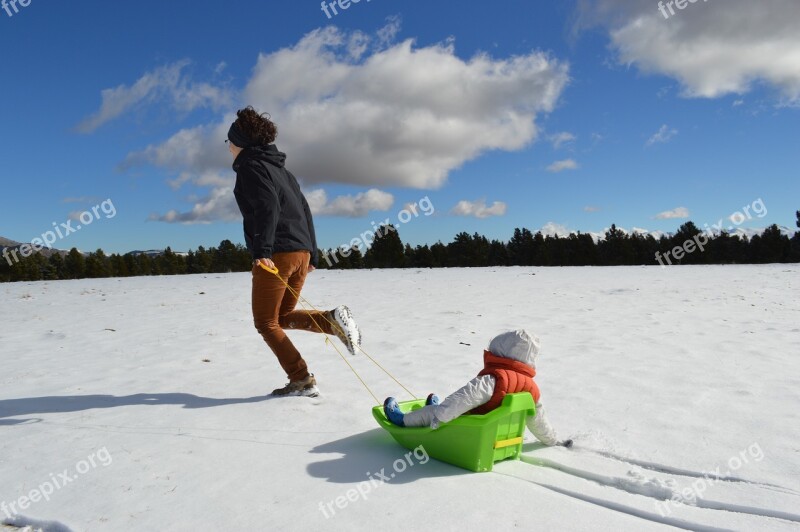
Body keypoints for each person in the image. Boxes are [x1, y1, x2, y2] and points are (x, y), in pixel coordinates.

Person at [228, 106, 361, 397]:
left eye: (230, 142)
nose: (228, 148)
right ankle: (331, 320)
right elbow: (304, 210)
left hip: (276, 254)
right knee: (283, 316)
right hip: (299, 253)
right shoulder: (283, 171)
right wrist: (311, 253)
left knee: (265, 323)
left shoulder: (251, 167)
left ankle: (300, 378)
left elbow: (267, 207)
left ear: (240, 143)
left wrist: (261, 250)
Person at [383, 329, 572, 447]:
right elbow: (539, 420)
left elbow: (465, 397)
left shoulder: (496, 379)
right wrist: (552, 440)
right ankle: (438, 408)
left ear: (501, 353)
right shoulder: (531, 389)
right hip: (499, 439)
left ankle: (403, 420)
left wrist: (440, 415)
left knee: (433, 412)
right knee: (447, 407)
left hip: (473, 430)